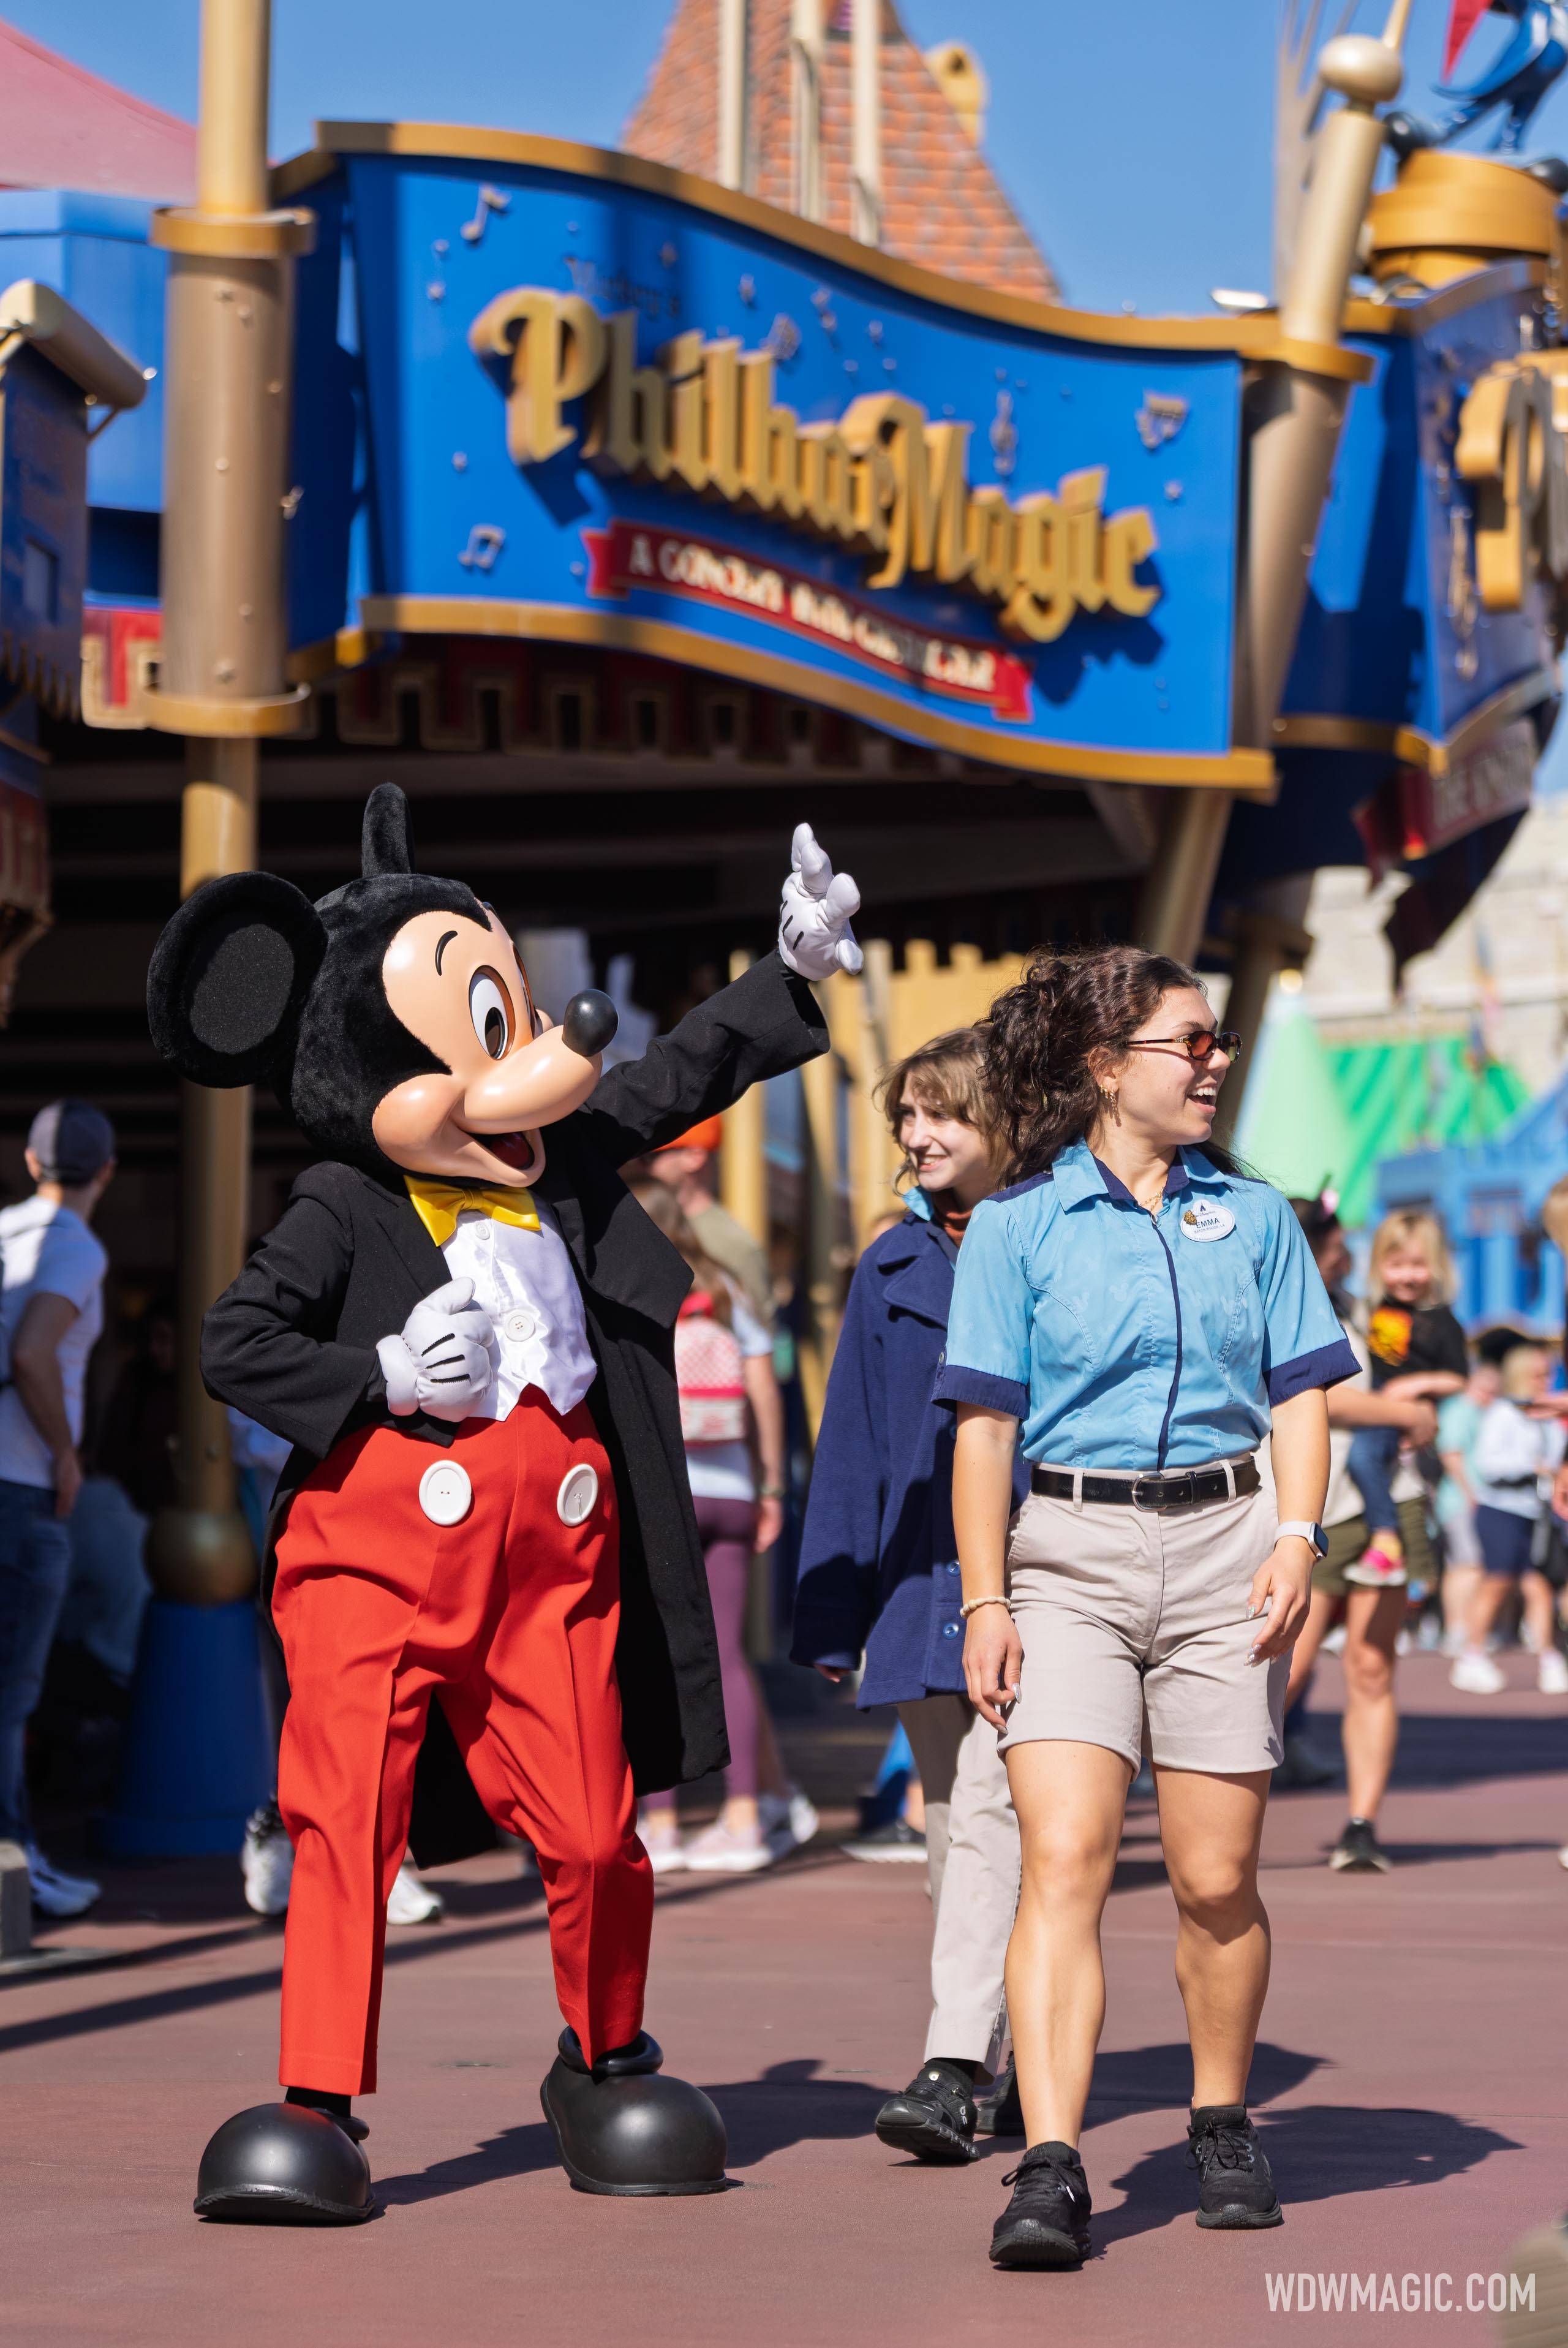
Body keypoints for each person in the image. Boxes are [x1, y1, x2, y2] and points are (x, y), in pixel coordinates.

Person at [147, 788, 862, 2222]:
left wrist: (786, 968)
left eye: (514, 1016)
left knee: (596, 1827)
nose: (532, 1059)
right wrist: (380, 1372)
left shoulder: (563, 1168)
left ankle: (603, 2053)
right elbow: (237, 1338)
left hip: (554, 1568)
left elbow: (672, 1076)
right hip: (374, 1568)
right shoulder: (344, 1204)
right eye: (476, 1035)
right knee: (344, 1823)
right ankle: (316, 2094)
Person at [940, 946, 1355, 2270]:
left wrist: (1295, 1536)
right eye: (1192, 1041)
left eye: (1218, 1039)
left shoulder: (1259, 1216)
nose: (1214, 1061)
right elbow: (983, 1431)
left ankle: (1219, 2118)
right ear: (1106, 1065)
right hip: (1067, 1555)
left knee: (1214, 1876)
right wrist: (986, 1596)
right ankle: (1049, 2161)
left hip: (1229, 1551)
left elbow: (1301, 1392)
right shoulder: (1015, 1226)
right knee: (1062, 1855)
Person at [793, 1026, 1027, 2163]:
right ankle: (1016, 2059)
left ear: (1003, 1120)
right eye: (908, 1114)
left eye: (944, 1112)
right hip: (912, 1581)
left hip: (1032, 1578)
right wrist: (831, 1607)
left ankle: (952, 2061)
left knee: (989, 1810)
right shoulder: (889, 1264)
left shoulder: (1054, 1243)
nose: (918, 1134)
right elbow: (852, 1440)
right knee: (950, 1829)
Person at [633, 1179, 800, 1872]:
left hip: (663, 1497)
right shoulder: (728, 1288)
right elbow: (763, 1389)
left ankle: (661, 1822)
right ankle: (743, 1817)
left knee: (657, 1655)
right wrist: (770, 1486)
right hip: (732, 1492)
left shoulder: (633, 1282)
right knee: (727, 1656)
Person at [1280, 1195, 1439, 1873]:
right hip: (1310, 1509)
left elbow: (1410, 1369)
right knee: (1285, 1666)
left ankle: (1361, 1823)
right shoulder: (1277, 1303)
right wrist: (1404, 1415)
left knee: (1371, 1667)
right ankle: (1198, 1804)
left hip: (1384, 1502)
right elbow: (1319, 1396)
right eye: (1339, 1246)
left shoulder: (1368, 1311)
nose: (1348, 1257)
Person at [0, 1099, 116, 1919]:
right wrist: (66, 1453)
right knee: (13, 1693)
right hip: (22, 1490)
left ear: (32, 1163)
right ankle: (16, 1860)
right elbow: (34, 1350)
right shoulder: (73, 1246)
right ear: (105, 1171)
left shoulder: (4, 1232)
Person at [1341, 1212, 1468, 1588]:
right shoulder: (1372, 1308)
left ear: (1437, 1266)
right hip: (1376, 1407)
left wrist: (1415, 1386)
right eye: (1396, 1266)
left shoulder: (1441, 1319)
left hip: (1401, 1415)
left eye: (1418, 1265)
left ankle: (1386, 1537)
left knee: (1362, 1459)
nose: (1407, 1276)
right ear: (1379, 1265)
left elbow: (1459, 1377)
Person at [1450, 1343, 1567, 1696]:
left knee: (1538, 1584)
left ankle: (1549, 1658)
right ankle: (1471, 1655)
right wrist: (1532, 1468)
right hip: (1500, 1509)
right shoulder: (1502, 1413)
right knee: (1498, 1581)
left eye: (1548, 1374)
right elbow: (1488, 1463)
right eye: (1538, 1375)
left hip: (1536, 1512)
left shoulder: (1546, 1417)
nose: (1545, 1381)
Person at [639, 1115, 774, 1327]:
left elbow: (759, 1334)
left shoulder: (735, 1245)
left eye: (649, 1157)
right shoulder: (644, 1221)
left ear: (694, 1156)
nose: (639, 1166)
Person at [1436, 1350, 1503, 1658]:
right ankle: (1458, 1629)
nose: (1490, 1397)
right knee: (1467, 1566)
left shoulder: (1477, 1411)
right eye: (1487, 1391)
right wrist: (1471, 1493)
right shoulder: (1460, 1410)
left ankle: (1468, 1628)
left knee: (1472, 1566)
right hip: (1461, 1501)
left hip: (1472, 1499)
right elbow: (1451, 1454)